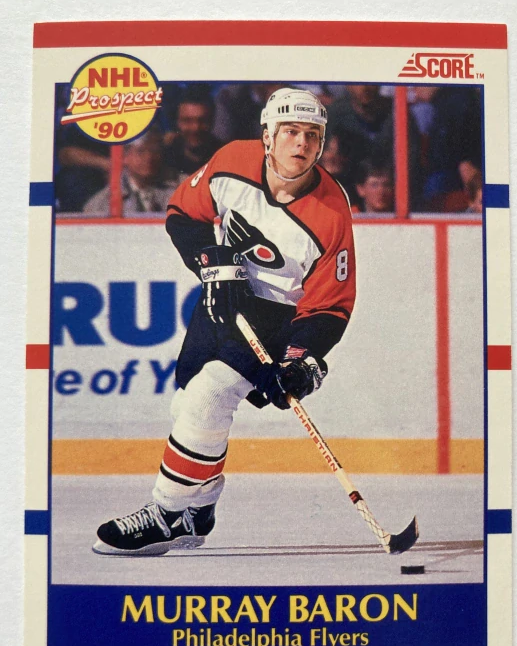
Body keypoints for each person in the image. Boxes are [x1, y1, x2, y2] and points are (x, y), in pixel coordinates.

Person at [93, 88, 356, 555]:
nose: (301, 143)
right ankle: (198, 510)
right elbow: (183, 213)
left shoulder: (331, 214)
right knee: (188, 406)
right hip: (223, 295)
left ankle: (166, 513)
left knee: (211, 394)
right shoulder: (233, 160)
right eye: (290, 131)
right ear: (267, 136)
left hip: (278, 317)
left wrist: (300, 359)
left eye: (312, 134)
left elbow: (330, 305)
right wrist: (210, 259)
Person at [83, 129, 180, 215]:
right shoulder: (101, 204)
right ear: (124, 156)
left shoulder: (178, 191)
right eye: (140, 151)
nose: (149, 157)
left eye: (154, 151)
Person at [164, 91, 221, 176]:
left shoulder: (224, 155)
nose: (195, 128)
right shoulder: (164, 157)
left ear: (212, 121)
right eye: (187, 121)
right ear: (177, 122)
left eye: (202, 120)